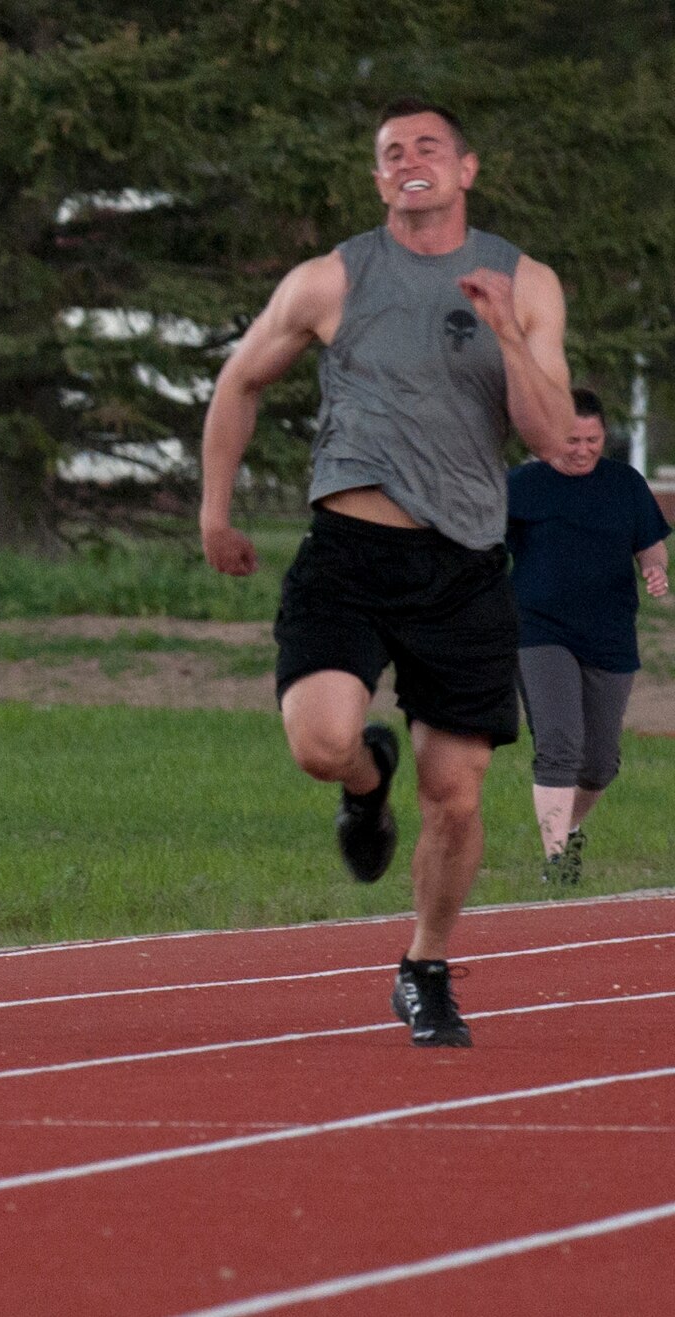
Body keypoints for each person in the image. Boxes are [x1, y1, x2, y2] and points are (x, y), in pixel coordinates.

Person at [199, 99, 574, 1047]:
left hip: (464, 569)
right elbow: (239, 380)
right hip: (351, 555)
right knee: (319, 740)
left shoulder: (524, 280)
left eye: (428, 149)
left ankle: (426, 965)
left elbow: (549, 433)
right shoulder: (332, 277)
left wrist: (505, 332)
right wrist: (215, 509)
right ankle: (365, 782)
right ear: (378, 179)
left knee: (457, 793)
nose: (410, 162)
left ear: (465, 169)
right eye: (390, 153)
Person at [506, 387, 671, 884]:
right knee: (559, 744)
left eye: (592, 440)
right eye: (571, 440)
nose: (581, 450)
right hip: (539, 632)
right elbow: (481, 547)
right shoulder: (521, 486)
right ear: (549, 436)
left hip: (610, 636)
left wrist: (655, 571)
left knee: (599, 764)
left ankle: (570, 831)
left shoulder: (625, 485)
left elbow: (651, 546)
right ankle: (556, 865)